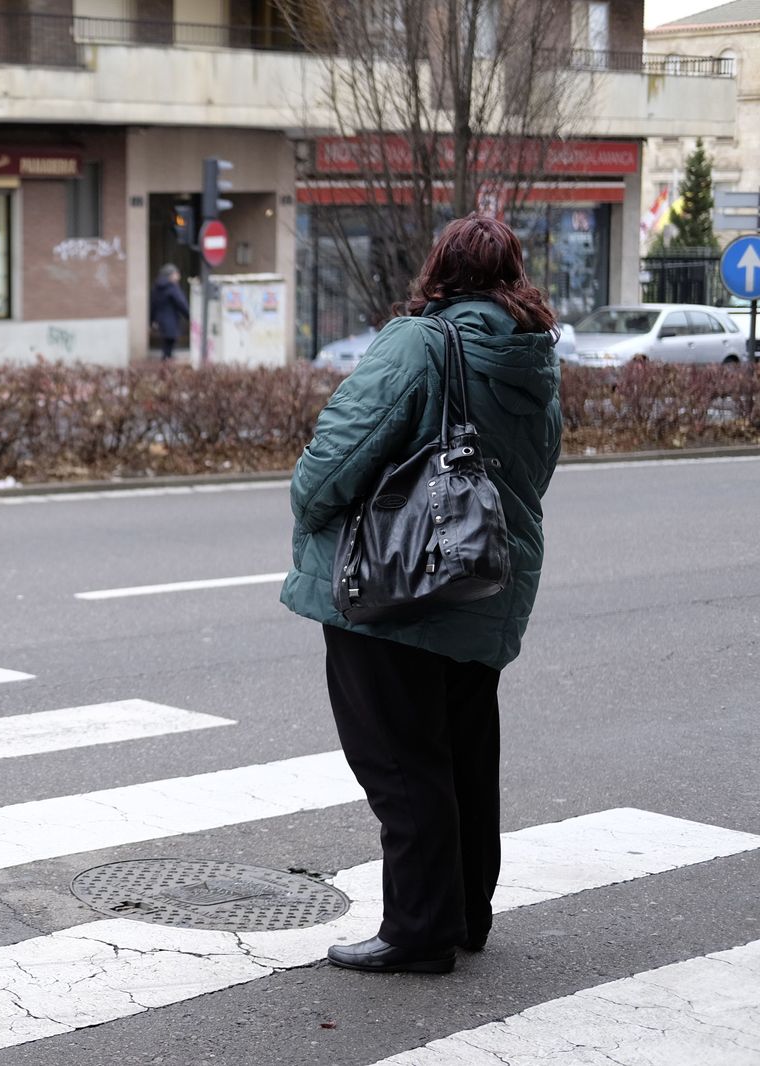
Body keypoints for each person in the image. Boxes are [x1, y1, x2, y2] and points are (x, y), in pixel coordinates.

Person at [278, 215, 562, 974]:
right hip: (484, 576)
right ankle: (467, 913)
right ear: (512, 275)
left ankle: (419, 931)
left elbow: (339, 452)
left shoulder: (420, 342)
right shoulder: (532, 355)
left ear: (439, 268)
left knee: (402, 764)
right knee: (466, 756)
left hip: (394, 590)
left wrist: (307, 506)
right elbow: (537, 468)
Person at [149, 264, 190, 361]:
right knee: (169, 346)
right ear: (170, 275)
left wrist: (152, 320)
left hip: (161, 321)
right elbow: (181, 303)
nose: (178, 276)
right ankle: (167, 366)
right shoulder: (172, 287)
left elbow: (152, 305)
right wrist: (189, 316)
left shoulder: (156, 288)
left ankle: (165, 364)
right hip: (171, 320)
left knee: (166, 345)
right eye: (176, 274)